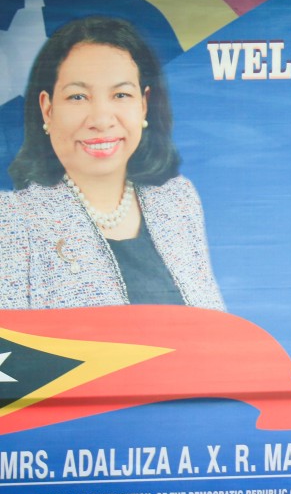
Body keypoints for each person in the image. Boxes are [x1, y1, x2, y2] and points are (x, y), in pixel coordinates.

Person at [0, 16, 224, 310]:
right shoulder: (13, 220)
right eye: (78, 96)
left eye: (121, 94)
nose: (102, 120)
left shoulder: (177, 200)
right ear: (48, 109)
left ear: (143, 104)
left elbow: (214, 328)